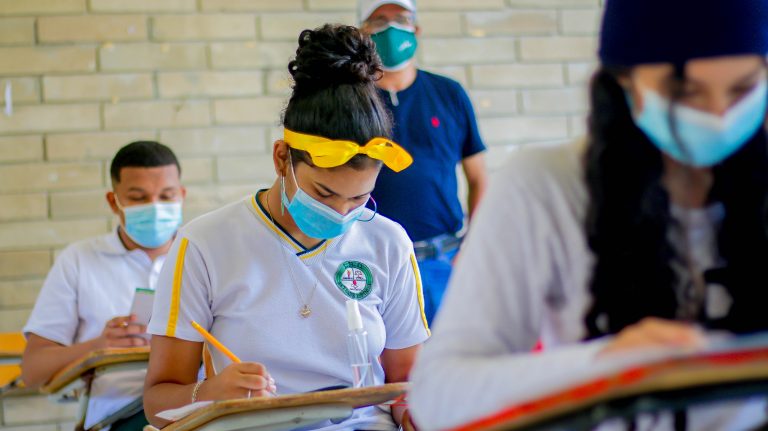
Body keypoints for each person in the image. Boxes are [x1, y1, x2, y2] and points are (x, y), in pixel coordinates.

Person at [409, 0, 768, 429]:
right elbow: (438, 397)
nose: (719, 117)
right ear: (623, 80)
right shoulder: (546, 186)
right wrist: (605, 364)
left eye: (743, 89)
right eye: (683, 92)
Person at [143, 24, 430, 431]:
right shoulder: (207, 243)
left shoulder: (387, 241)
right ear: (281, 159)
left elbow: (406, 381)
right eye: (325, 194)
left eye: (359, 198)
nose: (343, 214)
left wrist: (413, 409)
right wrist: (210, 392)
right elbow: (158, 400)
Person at [21, 141, 186, 431]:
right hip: (121, 413)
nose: (156, 207)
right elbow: (33, 370)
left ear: (182, 196)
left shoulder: (200, 255)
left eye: (166, 196)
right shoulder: (79, 260)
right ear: (113, 202)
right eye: (139, 198)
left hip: (197, 406)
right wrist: (99, 346)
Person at [358, 0, 488, 324]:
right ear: (363, 33)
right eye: (379, 21)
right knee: (388, 369)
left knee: (449, 363)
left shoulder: (449, 93)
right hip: (372, 262)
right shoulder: (352, 100)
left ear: (416, 29)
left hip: (441, 260)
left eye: (400, 19)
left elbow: (479, 177)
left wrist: (472, 246)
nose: (391, 29)